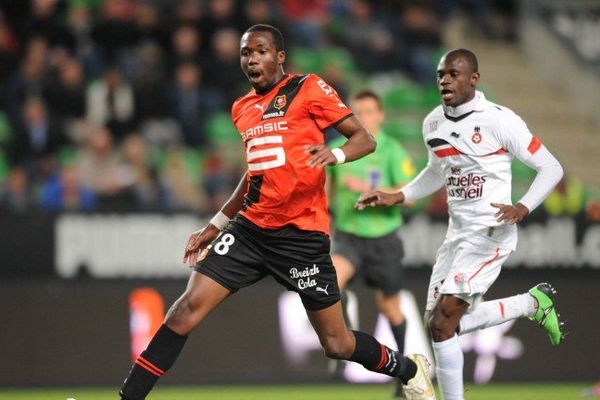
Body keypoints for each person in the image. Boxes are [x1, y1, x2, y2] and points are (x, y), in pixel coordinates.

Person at [118, 24, 435, 400]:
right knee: (184, 311)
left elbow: (363, 139)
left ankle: (410, 369)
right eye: (245, 53)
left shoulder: (309, 88)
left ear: (279, 56)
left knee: (338, 343)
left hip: (301, 238)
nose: (252, 59)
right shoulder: (242, 109)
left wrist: (332, 155)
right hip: (250, 231)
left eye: (260, 51)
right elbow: (254, 175)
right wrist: (217, 224)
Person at [356, 48, 566, 400]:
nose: (445, 81)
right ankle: (531, 303)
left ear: (474, 79)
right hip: (457, 235)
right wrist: (399, 195)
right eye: (441, 75)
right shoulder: (433, 123)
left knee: (443, 322)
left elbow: (551, 167)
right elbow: (436, 172)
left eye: (453, 74)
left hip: (490, 232)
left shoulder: (500, 120)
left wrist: (523, 206)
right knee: (438, 326)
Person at [327, 89, 415, 397]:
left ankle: (404, 374)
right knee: (332, 283)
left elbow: (408, 193)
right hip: (349, 236)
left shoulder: (392, 150)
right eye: (357, 112)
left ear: (380, 115)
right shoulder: (339, 149)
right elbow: (328, 190)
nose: (363, 117)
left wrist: (369, 188)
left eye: (368, 111)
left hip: (383, 240)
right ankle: (344, 342)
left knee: (390, 308)